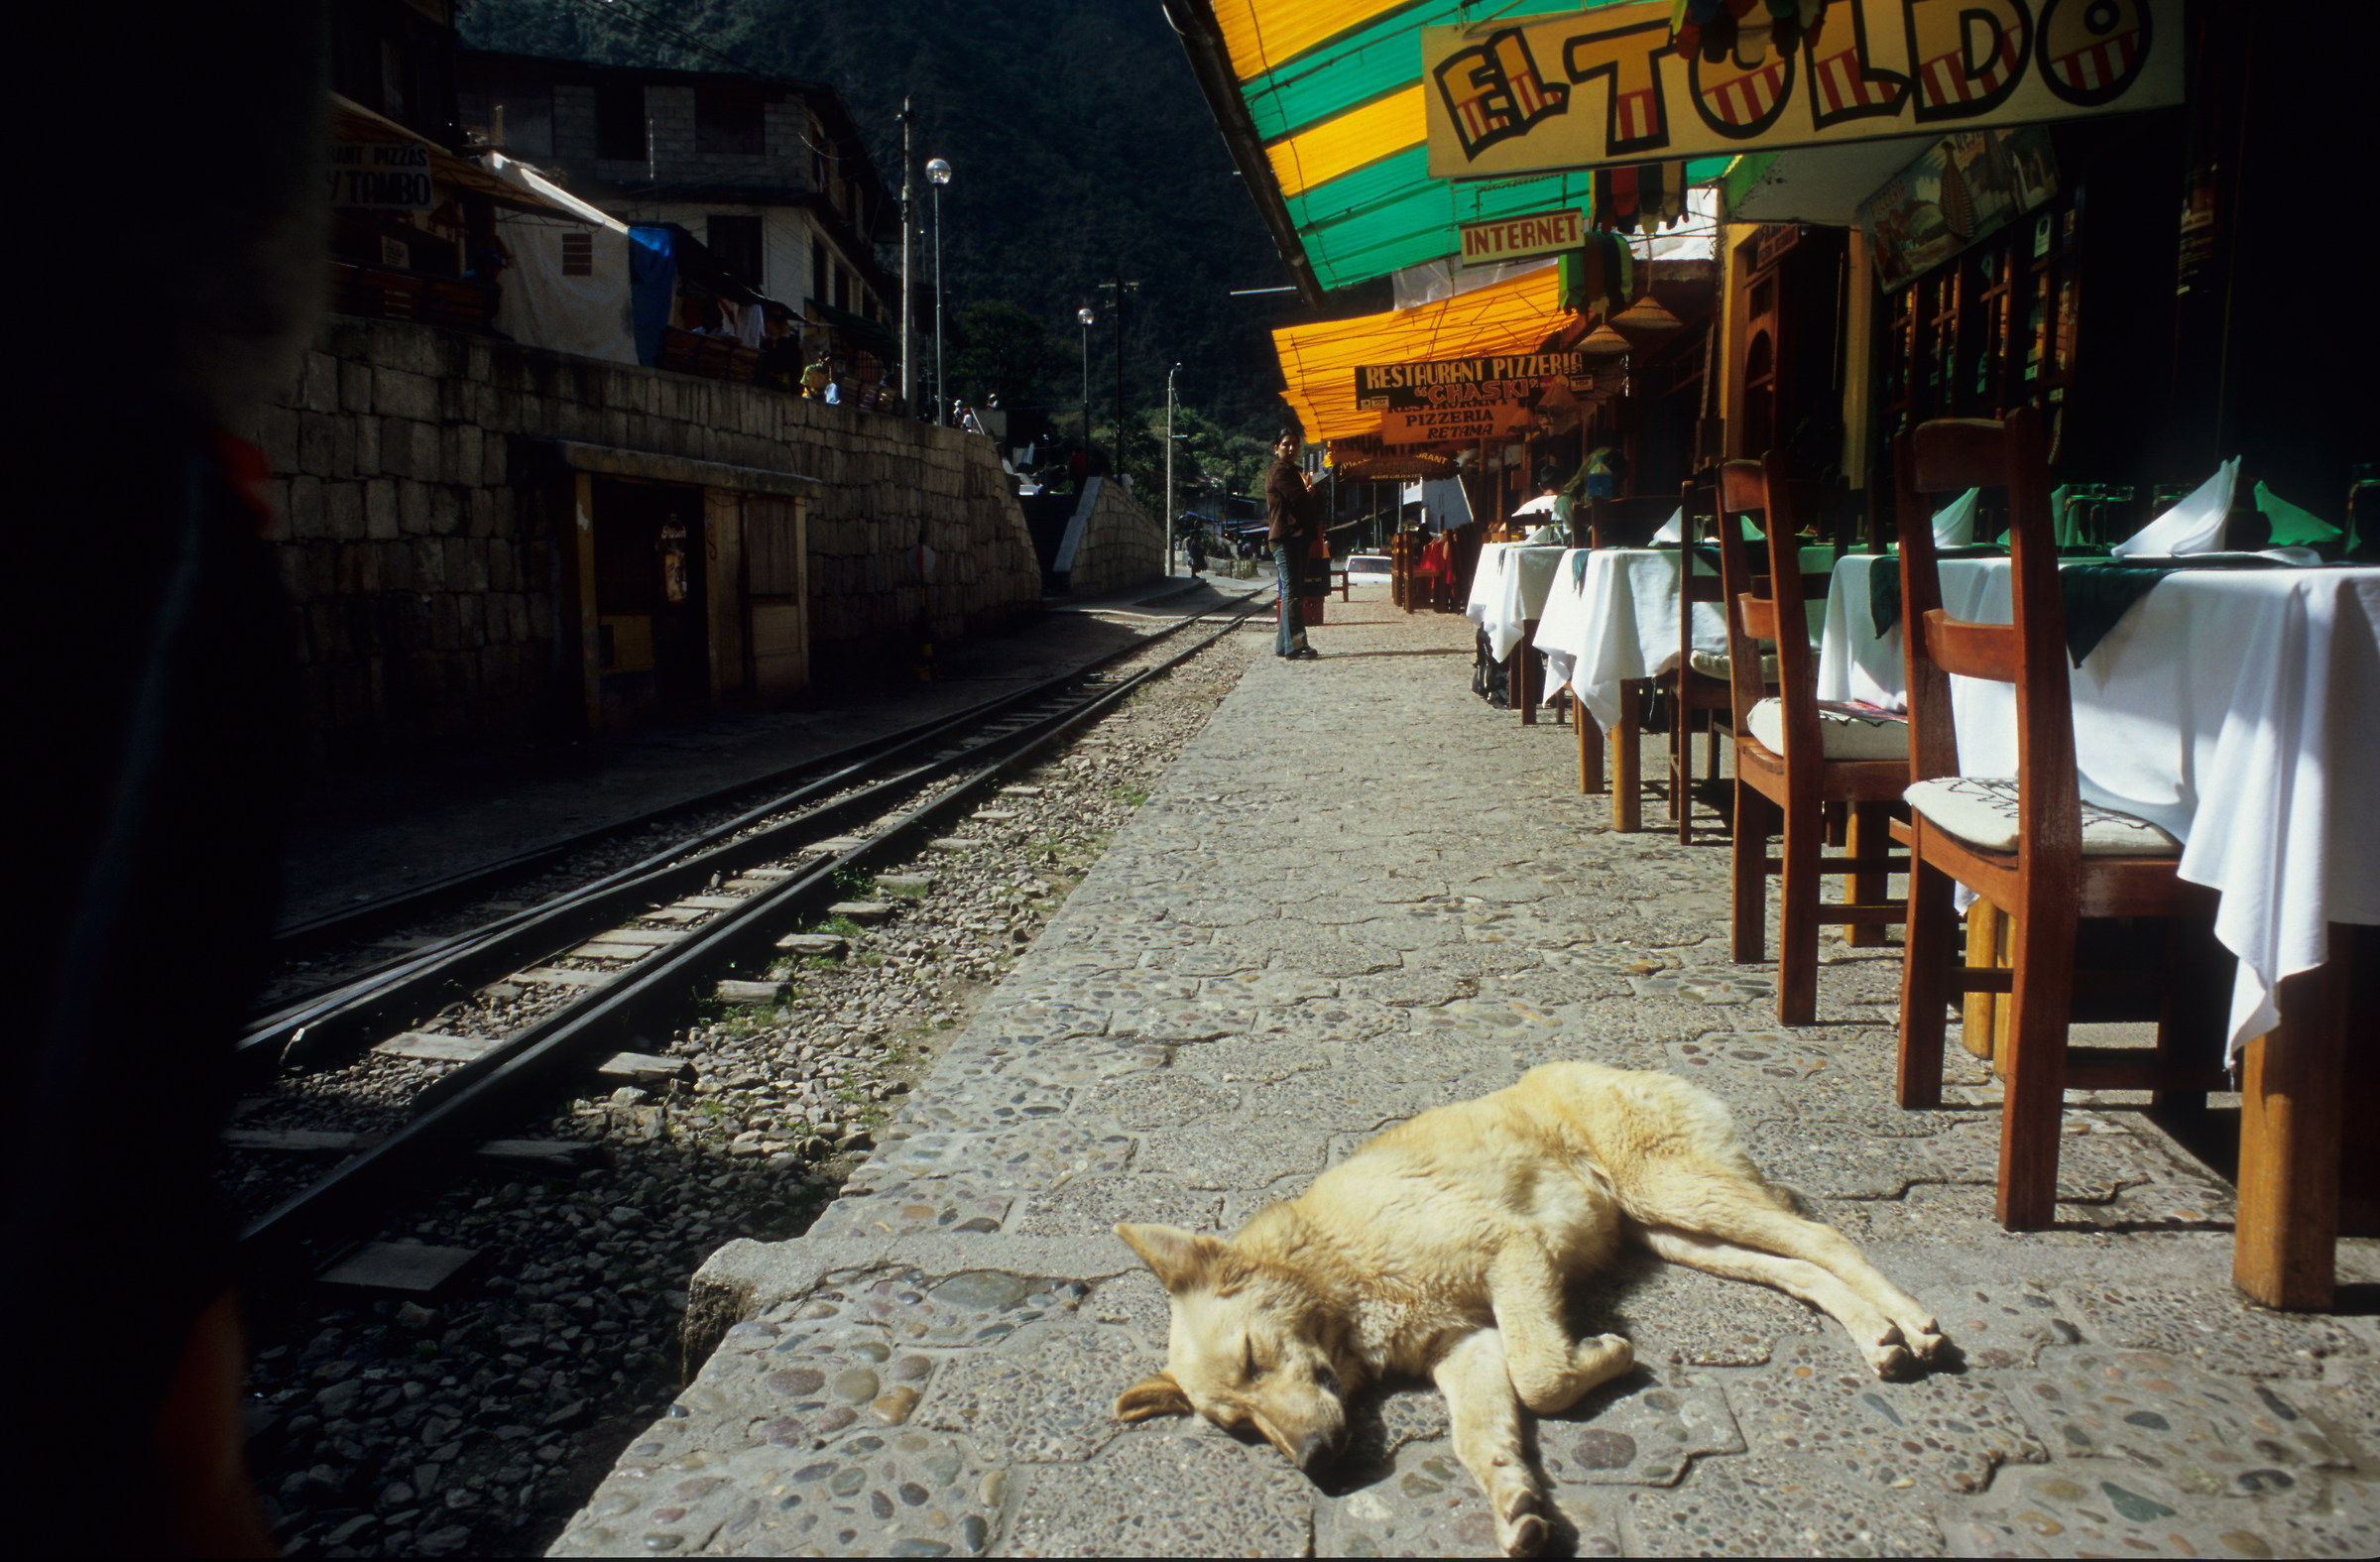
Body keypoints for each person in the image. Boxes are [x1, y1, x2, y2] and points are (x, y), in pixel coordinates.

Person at [1265, 430, 1323, 659]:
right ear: (1276, 447)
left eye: (1295, 445)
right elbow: (1300, 500)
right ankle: (1296, 646)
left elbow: (1315, 500)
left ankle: (1283, 646)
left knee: (1294, 591)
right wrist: (1310, 494)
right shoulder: (1280, 471)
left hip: (1297, 537)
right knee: (1292, 593)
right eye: (1286, 444)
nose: (1291, 449)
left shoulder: (1295, 472)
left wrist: (1311, 494)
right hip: (1285, 537)